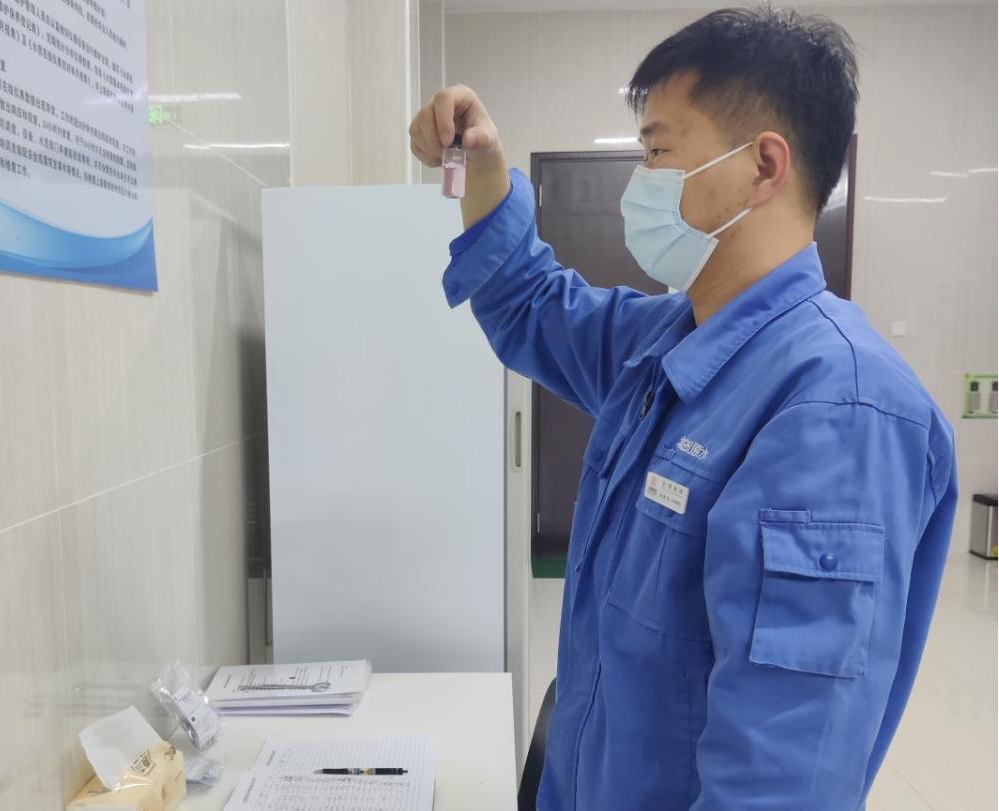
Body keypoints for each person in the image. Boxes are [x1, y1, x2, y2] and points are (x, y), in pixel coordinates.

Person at [408, 4, 958, 810]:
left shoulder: (836, 406)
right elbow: (530, 303)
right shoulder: (666, 341)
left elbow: (777, 778)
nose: (643, 181)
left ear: (763, 165)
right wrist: (484, 163)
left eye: (660, 151)